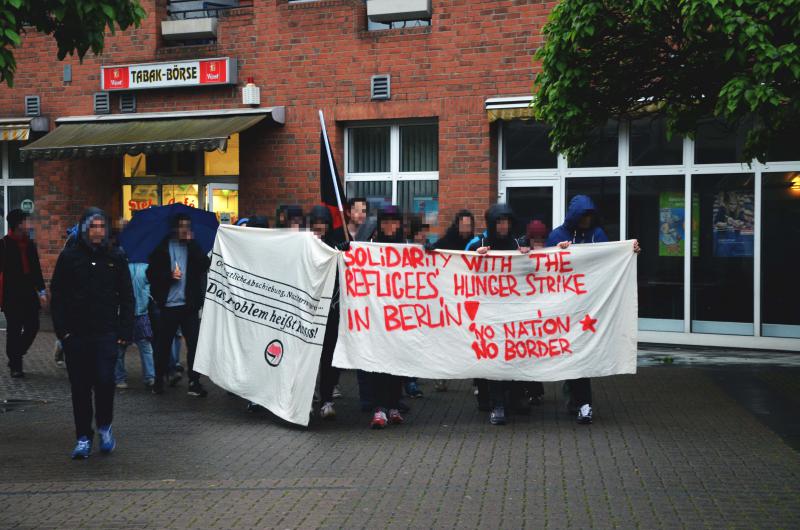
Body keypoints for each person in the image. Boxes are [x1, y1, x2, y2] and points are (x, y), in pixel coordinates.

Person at [546, 195, 640, 424]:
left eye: (590, 216)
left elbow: (609, 256)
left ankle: (583, 403)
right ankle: (574, 395)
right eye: (583, 216)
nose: (587, 220)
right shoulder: (558, 235)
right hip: (564, 308)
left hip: (589, 306)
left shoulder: (597, 234)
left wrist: (629, 250)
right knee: (568, 354)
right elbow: (544, 266)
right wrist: (556, 251)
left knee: (581, 355)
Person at [50, 207, 134, 459]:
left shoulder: (116, 256)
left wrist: (124, 331)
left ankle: (105, 426)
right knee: (80, 388)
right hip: (76, 335)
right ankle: (83, 437)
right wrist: (63, 332)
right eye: (93, 226)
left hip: (106, 334)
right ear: (85, 229)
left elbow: (127, 296)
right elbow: (59, 297)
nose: (97, 231)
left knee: (106, 382)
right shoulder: (70, 256)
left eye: (101, 226)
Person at [467, 204, 530, 425]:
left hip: (513, 313)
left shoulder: (518, 244)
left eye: (507, 222)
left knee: (514, 356)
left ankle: (516, 397)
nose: (503, 226)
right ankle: (497, 405)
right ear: (492, 224)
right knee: (493, 359)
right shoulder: (479, 244)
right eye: (499, 222)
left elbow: (532, 273)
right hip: (488, 314)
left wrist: (527, 256)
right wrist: (474, 257)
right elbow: (459, 266)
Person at [147, 213, 211, 397]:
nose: (184, 229)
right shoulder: (162, 248)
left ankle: (194, 381)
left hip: (189, 306)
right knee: (163, 345)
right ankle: (159, 380)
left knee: (194, 344)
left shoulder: (193, 248)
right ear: (174, 228)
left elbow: (204, 265)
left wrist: (194, 245)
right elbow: (150, 275)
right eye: (181, 226)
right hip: (169, 306)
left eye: (187, 226)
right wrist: (169, 276)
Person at [368, 206, 407, 429]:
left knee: (397, 364)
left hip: (399, 318)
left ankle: (393, 406)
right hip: (376, 316)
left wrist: (430, 253)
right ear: (379, 225)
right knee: (377, 365)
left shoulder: (407, 249)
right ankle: (379, 408)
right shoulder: (370, 248)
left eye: (394, 222)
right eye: (385, 222)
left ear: (400, 224)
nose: (390, 227)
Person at [430, 209, 476, 392]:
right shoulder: (446, 242)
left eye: (469, 225)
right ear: (457, 224)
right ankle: (441, 376)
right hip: (448, 299)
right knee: (445, 340)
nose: (466, 228)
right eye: (463, 224)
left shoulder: (475, 244)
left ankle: (477, 380)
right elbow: (434, 252)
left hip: (469, 299)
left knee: (472, 339)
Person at [307, 206, 344, 419]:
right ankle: (308, 396)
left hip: (331, 312)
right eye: (316, 224)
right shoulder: (304, 245)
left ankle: (327, 398)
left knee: (329, 358)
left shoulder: (336, 247)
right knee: (309, 357)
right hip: (309, 311)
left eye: (323, 224)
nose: (320, 228)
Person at [1, 209, 47, 378]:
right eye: (27, 221)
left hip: (28, 294)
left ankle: (15, 355)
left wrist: (42, 291)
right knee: (13, 329)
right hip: (11, 295)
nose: (30, 224)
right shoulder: (4, 244)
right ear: (19, 224)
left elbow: (36, 270)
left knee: (33, 326)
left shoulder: (29, 244)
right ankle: (16, 367)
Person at [114, 262, 156, 389]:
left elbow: (151, 285)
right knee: (120, 347)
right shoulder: (120, 265)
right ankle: (120, 377)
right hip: (124, 313)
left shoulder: (146, 267)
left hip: (140, 312)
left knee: (145, 346)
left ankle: (149, 376)